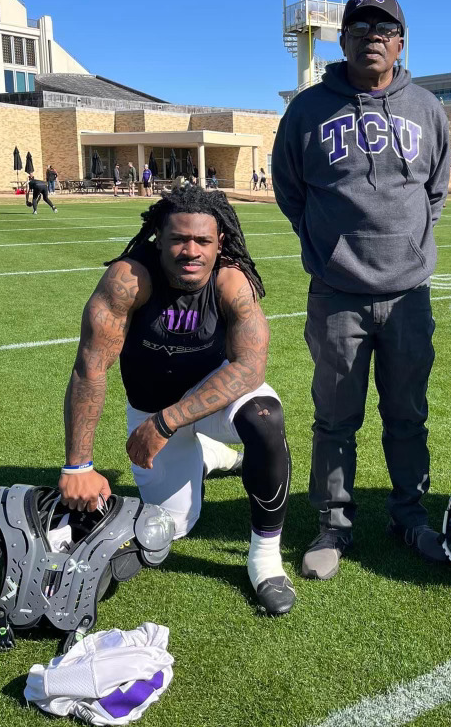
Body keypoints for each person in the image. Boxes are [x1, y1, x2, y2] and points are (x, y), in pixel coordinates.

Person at [272, 0, 451, 580]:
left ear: (400, 42)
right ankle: (333, 524)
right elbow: (288, 190)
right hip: (337, 295)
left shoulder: (426, 107)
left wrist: (407, 246)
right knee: (335, 417)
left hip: (408, 295)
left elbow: (436, 191)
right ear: (341, 37)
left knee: (408, 415)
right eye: (360, 27)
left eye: (384, 29)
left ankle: (409, 514)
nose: (372, 37)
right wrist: (328, 245)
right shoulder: (307, 109)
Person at [58, 186, 295, 615]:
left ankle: (264, 556)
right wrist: (79, 466)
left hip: (204, 406)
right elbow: (89, 368)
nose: (191, 251)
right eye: (179, 239)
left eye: (203, 241)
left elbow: (249, 369)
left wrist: (166, 424)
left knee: (265, 415)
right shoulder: (129, 280)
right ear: (158, 238)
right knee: (170, 529)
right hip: (151, 407)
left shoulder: (231, 281)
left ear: (219, 241)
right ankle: (206, 458)